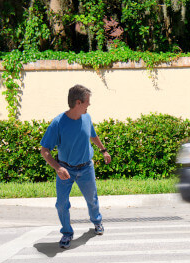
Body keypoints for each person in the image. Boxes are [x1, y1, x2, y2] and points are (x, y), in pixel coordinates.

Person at [40, 84, 111, 249]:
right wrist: (57, 168)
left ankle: (97, 222)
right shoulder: (58, 123)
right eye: (87, 102)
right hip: (66, 170)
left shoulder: (87, 117)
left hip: (86, 168)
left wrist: (103, 150)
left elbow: (93, 135)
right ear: (78, 103)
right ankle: (67, 232)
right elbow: (45, 150)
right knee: (61, 204)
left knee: (92, 199)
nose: (89, 104)